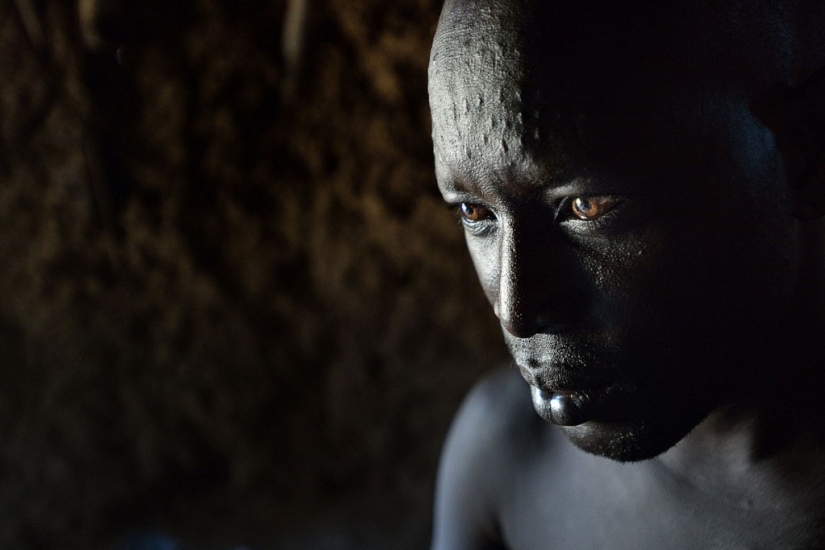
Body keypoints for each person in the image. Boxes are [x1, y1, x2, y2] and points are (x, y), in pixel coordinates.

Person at [427, 1, 825, 548]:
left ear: (807, 153)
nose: (516, 309)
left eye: (586, 206)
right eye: (476, 213)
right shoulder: (503, 459)